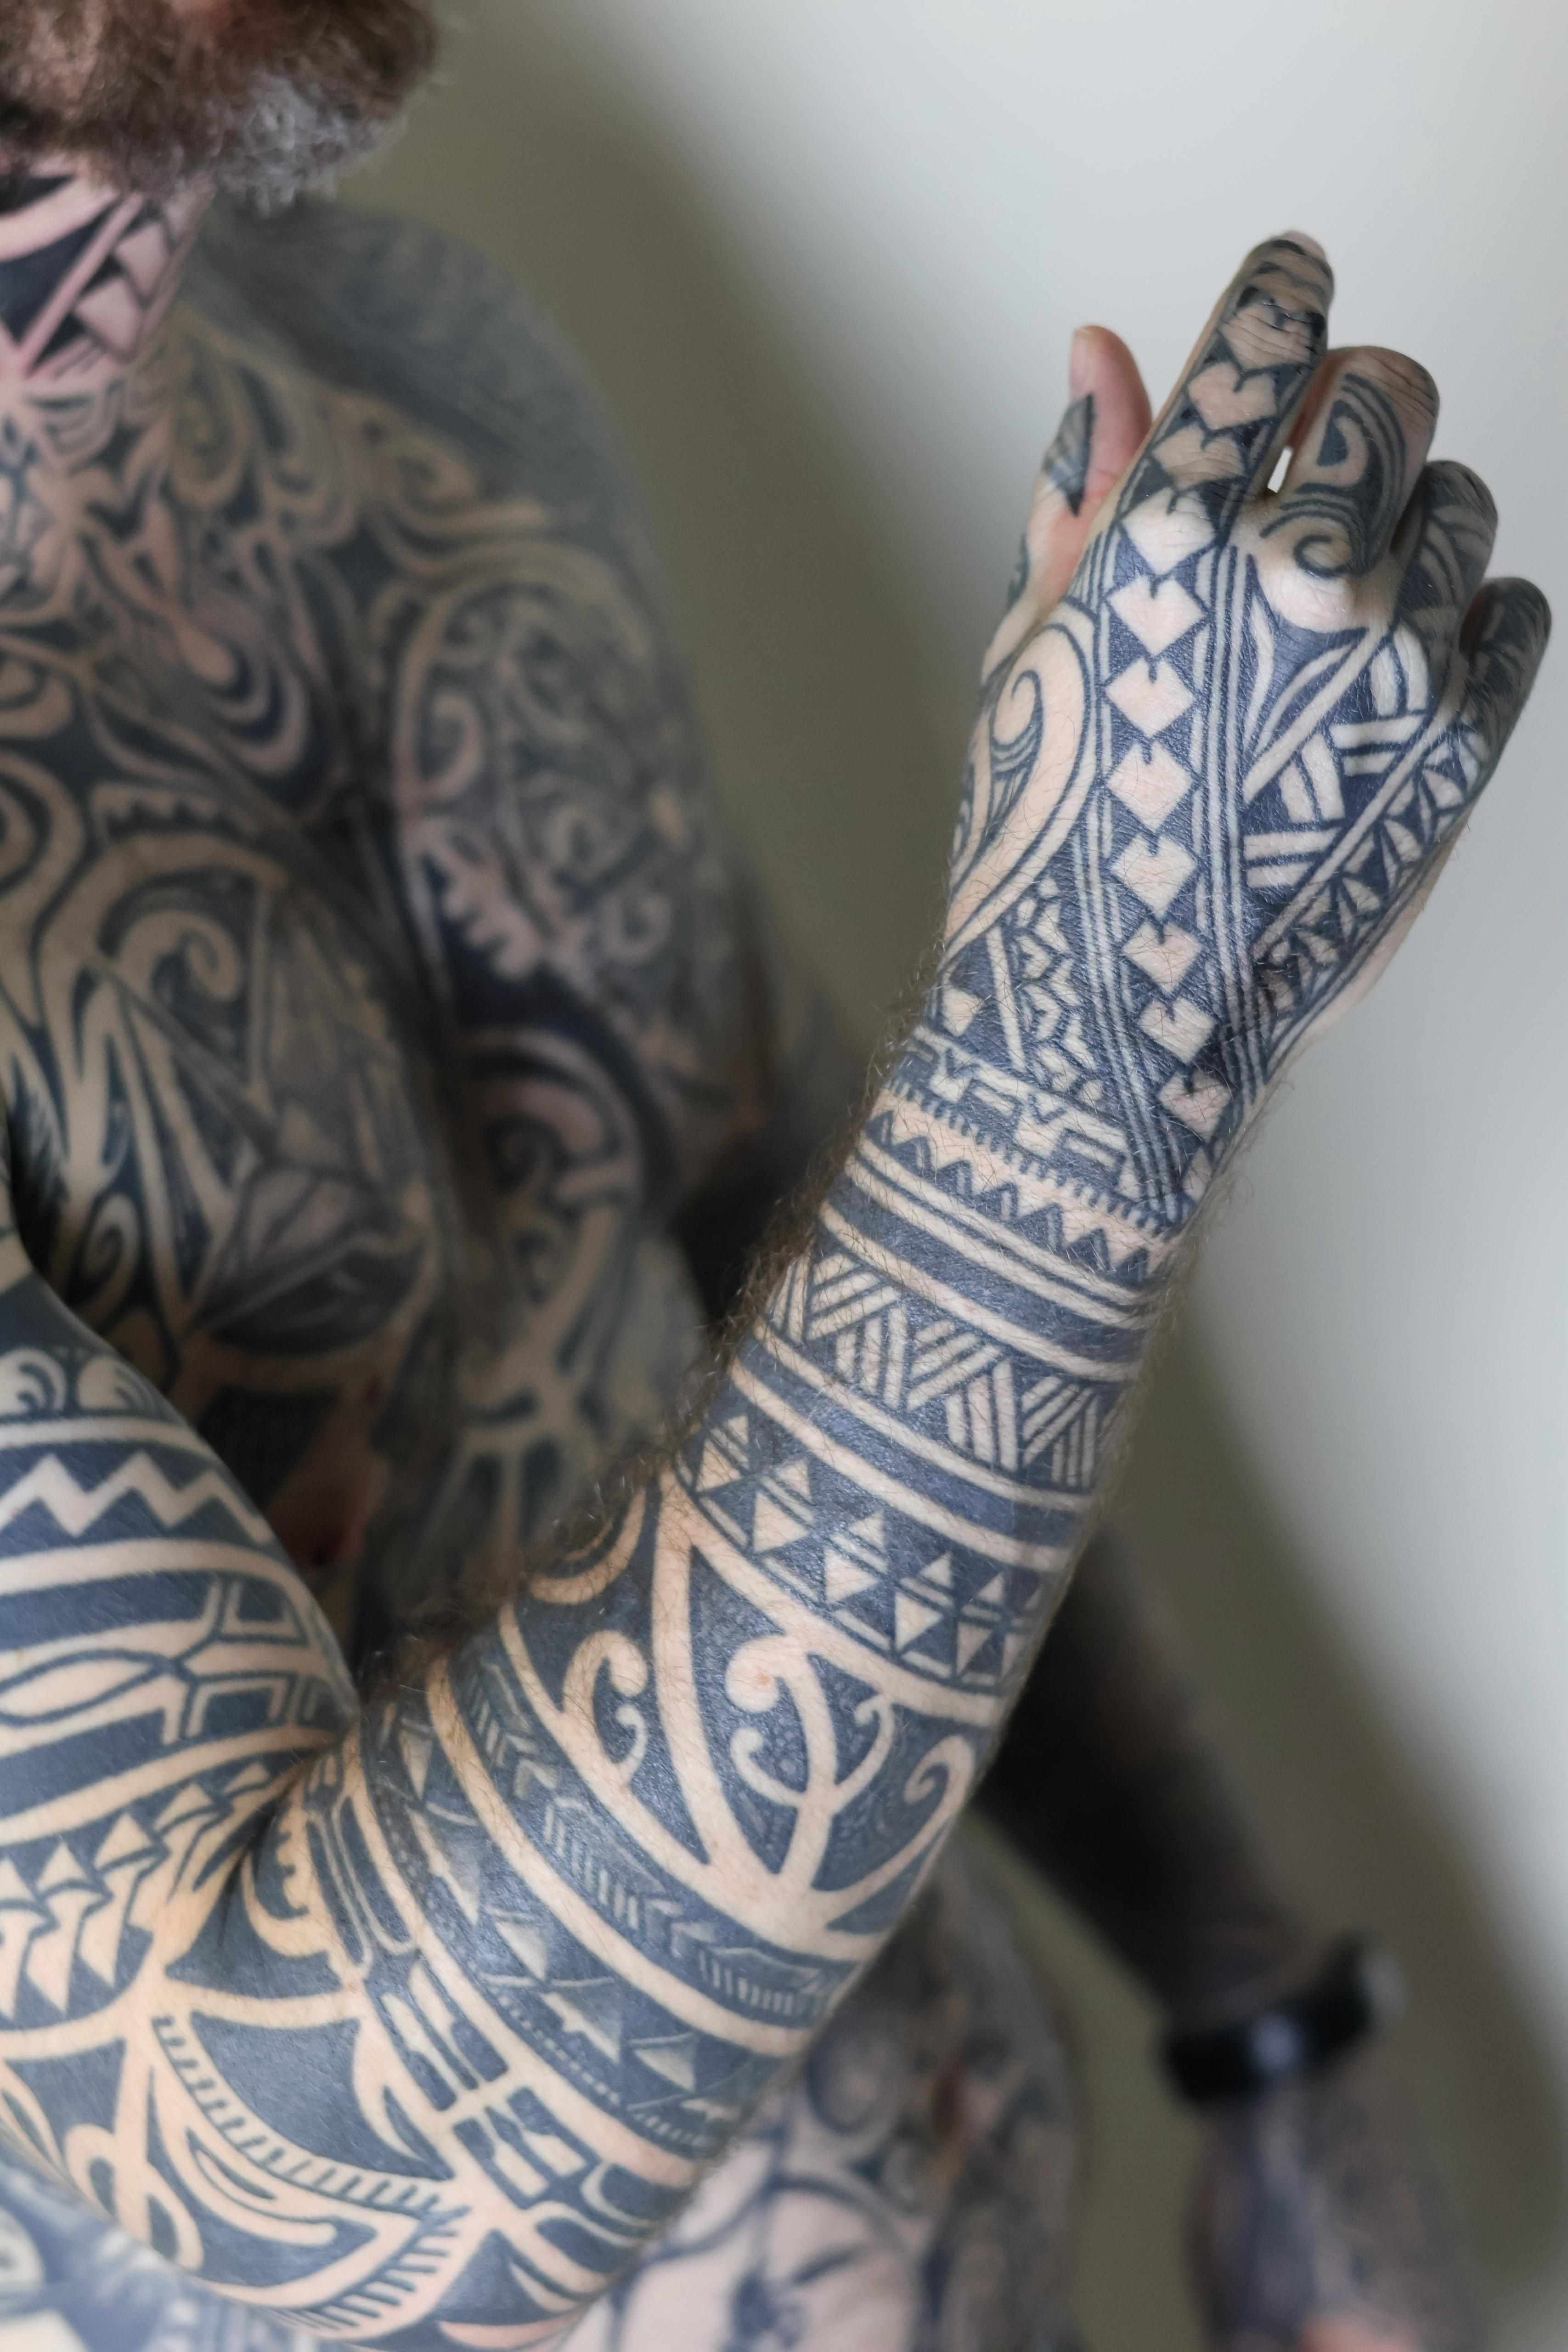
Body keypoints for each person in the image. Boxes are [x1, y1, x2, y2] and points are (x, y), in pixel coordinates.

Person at [0, 5, 1548, 2348]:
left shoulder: (402, 358)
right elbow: (273, 2134)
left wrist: (1259, 2013)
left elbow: (761, 1185)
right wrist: (1085, 1050)